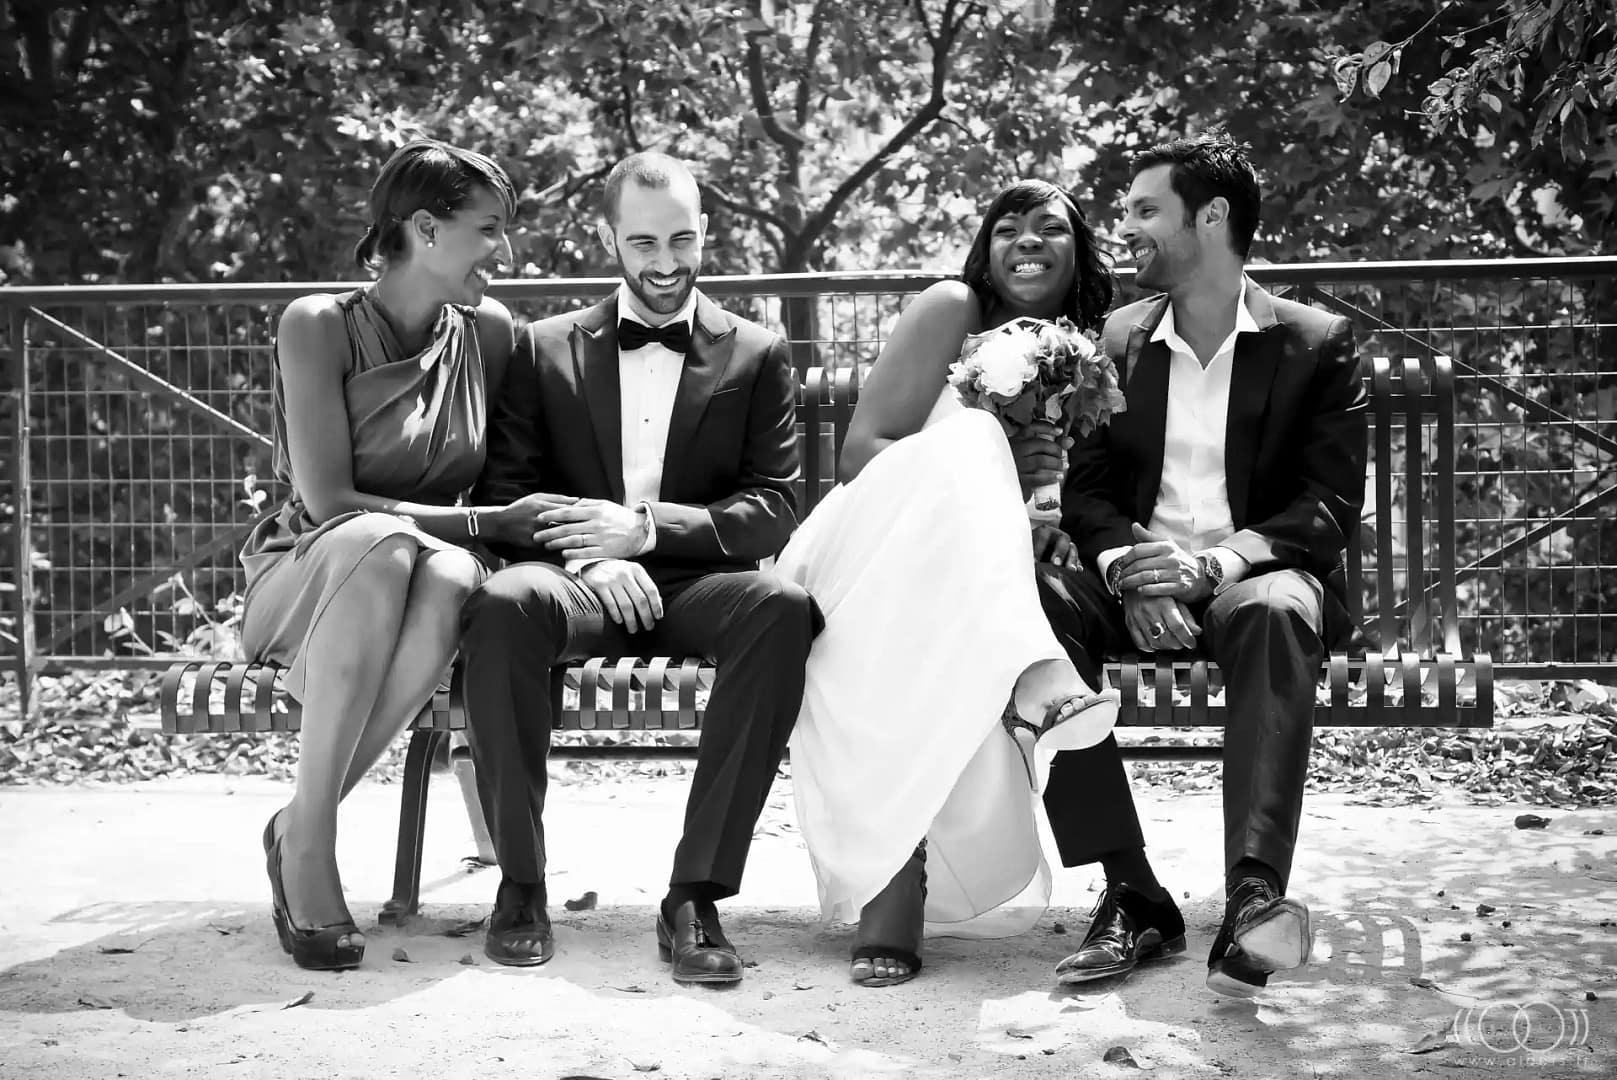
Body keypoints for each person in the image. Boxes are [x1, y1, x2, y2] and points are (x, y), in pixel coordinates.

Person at [458, 151, 818, 982]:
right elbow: (507, 492)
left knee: (782, 605)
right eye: (645, 243)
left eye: (683, 240)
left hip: (694, 580)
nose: (666, 263)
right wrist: (589, 553)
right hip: (572, 580)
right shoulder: (538, 347)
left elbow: (773, 505)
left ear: (705, 232)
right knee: (505, 603)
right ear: (609, 237)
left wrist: (646, 532)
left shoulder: (758, 352)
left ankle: (693, 896)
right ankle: (520, 882)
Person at [1037, 132, 1367, 997]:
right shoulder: (1116, 337)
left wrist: (1212, 568)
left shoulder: (1316, 344)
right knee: (1031, 604)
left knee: (1273, 613)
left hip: (1254, 574)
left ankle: (1253, 903)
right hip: (1137, 574)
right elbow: (1088, 491)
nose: (1127, 227)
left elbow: (1323, 508)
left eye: (1146, 210)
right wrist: (1126, 570)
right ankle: (1130, 889)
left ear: (1211, 218)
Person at [773, 179, 1124, 989]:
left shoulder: (1089, 354)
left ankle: (898, 882)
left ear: (1079, 251)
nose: (1026, 240)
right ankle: (1036, 679)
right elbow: (861, 453)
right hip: (863, 544)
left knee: (934, 615)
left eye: (1049, 228)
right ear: (985, 248)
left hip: (963, 572)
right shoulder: (948, 307)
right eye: (1007, 227)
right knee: (967, 438)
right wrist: (991, 447)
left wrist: (1039, 506)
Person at [240, 139, 555, 971]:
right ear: (424, 229)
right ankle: (316, 847)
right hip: (312, 571)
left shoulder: (489, 333)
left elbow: (490, 503)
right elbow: (331, 505)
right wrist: (488, 521)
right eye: (490, 229)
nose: (506, 251)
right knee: (380, 545)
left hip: (424, 580)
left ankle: (299, 825)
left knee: (452, 572)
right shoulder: (315, 325)